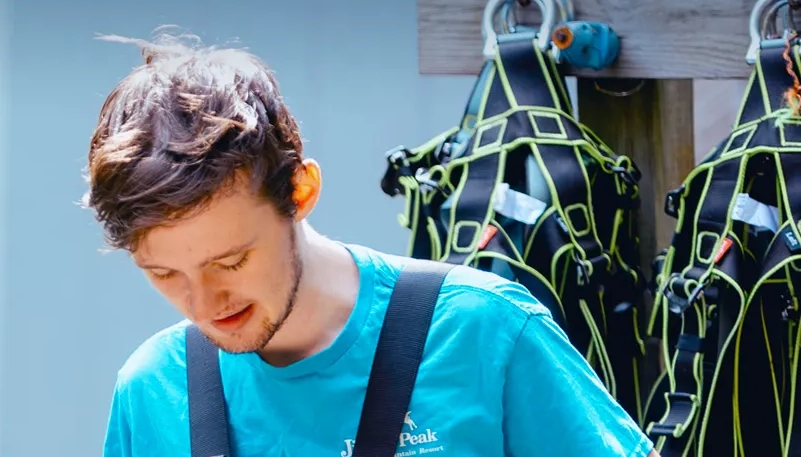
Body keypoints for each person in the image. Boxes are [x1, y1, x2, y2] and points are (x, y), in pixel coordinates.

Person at [84, 31, 655, 457]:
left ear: (300, 191)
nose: (206, 304)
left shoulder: (487, 332)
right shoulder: (153, 391)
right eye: (165, 275)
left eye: (231, 260)